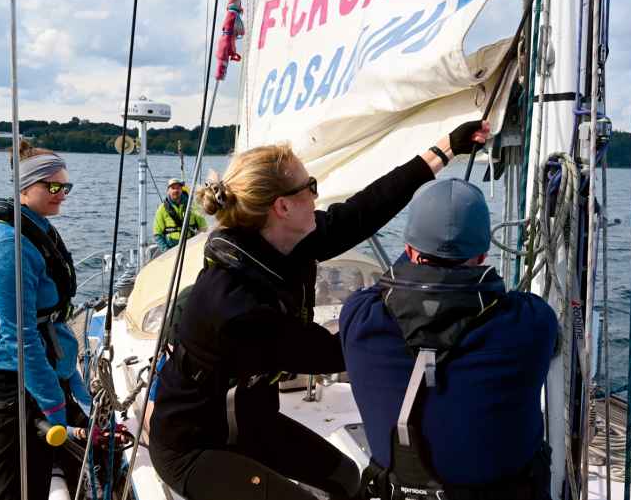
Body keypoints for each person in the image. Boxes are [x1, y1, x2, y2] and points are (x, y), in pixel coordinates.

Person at [148, 121, 491, 500]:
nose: (316, 195)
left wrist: (445, 148)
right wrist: (430, 299)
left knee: (347, 478)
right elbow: (333, 352)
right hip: (194, 448)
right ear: (282, 207)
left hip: (252, 423)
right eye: (310, 187)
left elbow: (364, 211)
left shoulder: (284, 242)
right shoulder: (234, 307)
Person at [339, 178, 559, 500]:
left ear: (409, 249)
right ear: (482, 255)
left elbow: (386, 283)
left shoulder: (359, 317)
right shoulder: (530, 324)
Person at [0, 141, 92, 500]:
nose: (62, 194)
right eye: (53, 186)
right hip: (12, 386)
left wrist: (72, 384)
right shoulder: (9, 246)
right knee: (18, 489)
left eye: (66, 186)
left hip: (42, 373)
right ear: (24, 187)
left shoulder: (37, 229)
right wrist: (55, 405)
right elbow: (20, 337)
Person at [154, 178, 208, 252]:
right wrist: (166, 251)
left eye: (178, 188)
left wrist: (197, 244)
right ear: (168, 191)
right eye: (173, 188)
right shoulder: (161, 209)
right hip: (171, 249)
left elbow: (203, 228)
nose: (176, 190)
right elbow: (158, 234)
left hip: (191, 247)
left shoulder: (193, 206)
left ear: (181, 190)